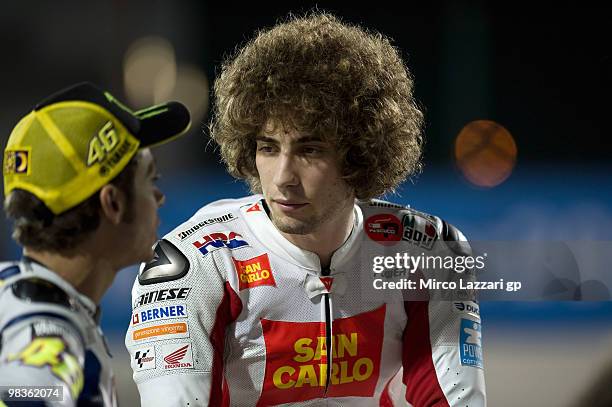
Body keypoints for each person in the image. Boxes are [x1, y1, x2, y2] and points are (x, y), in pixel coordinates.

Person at [125, 13, 486, 406]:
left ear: (359, 156)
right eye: (268, 147)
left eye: (309, 150)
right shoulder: (192, 264)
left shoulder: (429, 251)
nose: (283, 177)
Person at [0, 82, 190, 406]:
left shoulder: (28, 299)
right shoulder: (47, 329)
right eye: (150, 179)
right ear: (112, 203)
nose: (159, 197)